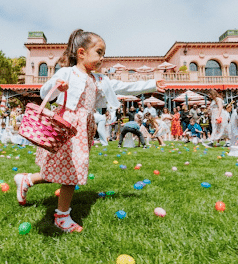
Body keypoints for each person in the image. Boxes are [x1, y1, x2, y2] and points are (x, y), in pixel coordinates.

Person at [13, 29, 164, 233]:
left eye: (103, 53)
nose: (102, 58)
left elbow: (125, 86)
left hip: (83, 128)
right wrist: (59, 87)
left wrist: (152, 84)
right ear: (82, 53)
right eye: (99, 52)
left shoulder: (100, 80)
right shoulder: (67, 72)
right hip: (65, 125)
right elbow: (44, 92)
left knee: (64, 169)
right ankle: (62, 217)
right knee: (71, 171)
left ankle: (28, 179)